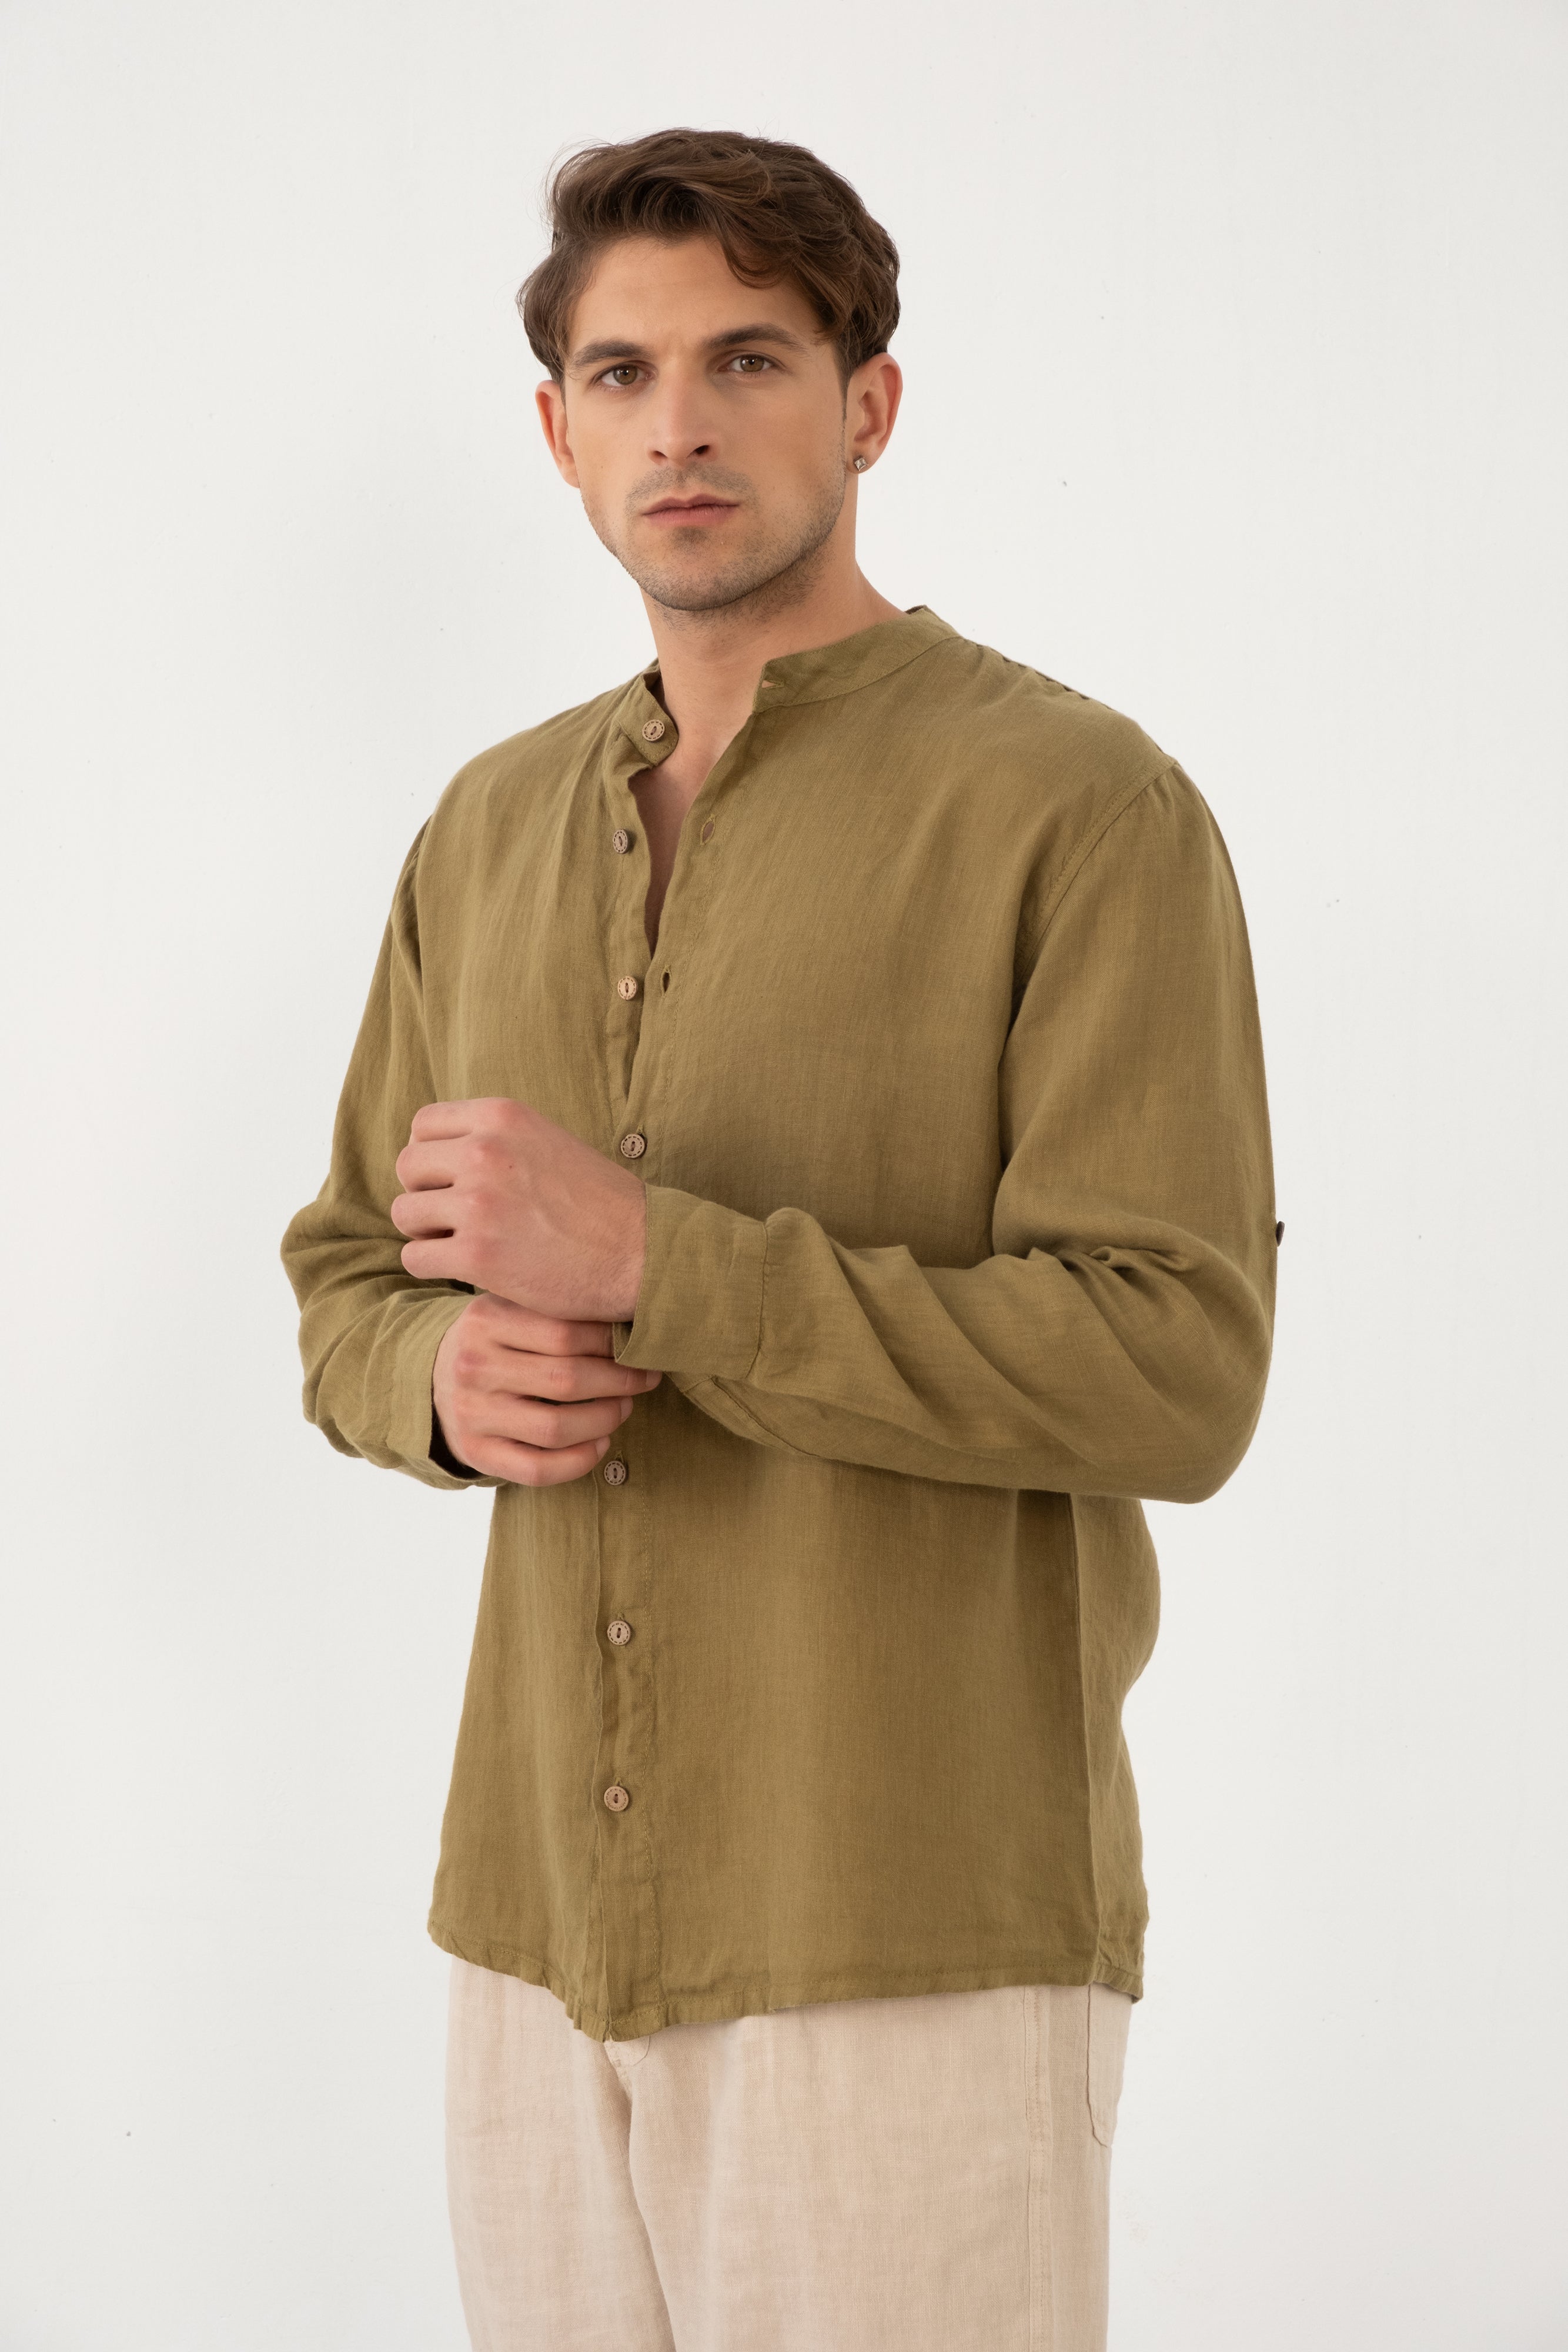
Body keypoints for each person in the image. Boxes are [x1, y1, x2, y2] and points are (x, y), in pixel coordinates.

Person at [281, 125, 1277, 2352]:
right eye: (621, 376)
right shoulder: (485, 825)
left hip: (902, 1926)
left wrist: (662, 1265)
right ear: (557, 435)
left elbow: (1178, 1367)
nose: (681, 425)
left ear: (867, 403)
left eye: (747, 359)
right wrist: (438, 1379)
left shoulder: (1077, 808)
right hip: (536, 1932)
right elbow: (348, 1271)